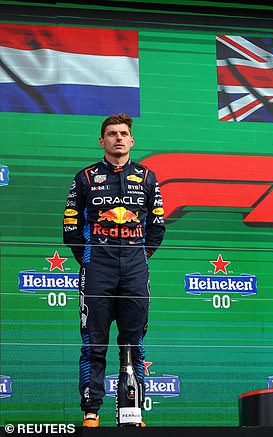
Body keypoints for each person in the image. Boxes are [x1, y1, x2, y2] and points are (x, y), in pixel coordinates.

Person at [63, 114, 165, 427]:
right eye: (111, 134)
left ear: (132, 140)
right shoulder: (85, 178)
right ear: (102, 141)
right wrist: (93, 259)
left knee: (133, 343)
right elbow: (70, 227)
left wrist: (138, 257)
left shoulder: (148, 177)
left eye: (123, 133)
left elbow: (158, 225)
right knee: (94, 341)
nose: (118, 138)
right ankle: (91, 412)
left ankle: (130, 413)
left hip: (134, 269)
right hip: (98, 270)